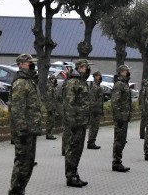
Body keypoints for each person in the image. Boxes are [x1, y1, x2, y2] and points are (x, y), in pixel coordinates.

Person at [8, 54, 42, 195]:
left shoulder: (30, 81)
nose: (32, 65)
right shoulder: (21, 83)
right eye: (29, 63)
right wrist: (21, 129)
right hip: (24, 130)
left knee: (28, 162)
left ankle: (20, 192)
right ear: (21, 64)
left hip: (30, 128)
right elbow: (17, 109)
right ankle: (14, 194)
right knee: (22, 162)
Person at [63, 59, 91, 187]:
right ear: (79, 67)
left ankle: (74, 173)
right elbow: (69, 104)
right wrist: (72, 122)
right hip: (75, 122)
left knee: (78, 149)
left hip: (82, 121)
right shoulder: (73, 82)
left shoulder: (82, 82)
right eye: (85, 67)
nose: (87, 69)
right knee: (72, 149)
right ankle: (70, 175)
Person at [110, 65, 133, 172]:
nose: (128, 72)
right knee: (119, 140)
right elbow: (115, 101)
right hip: (120, 117)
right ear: (121, 72)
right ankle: (116, 162)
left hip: (124, 117)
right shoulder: (119, 84)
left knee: (122, 140)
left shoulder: (124, 83)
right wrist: (118, 117)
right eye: (126, 71)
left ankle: (118, 161)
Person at [86, 71, 104, 149]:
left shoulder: (98, 85)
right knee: (94, 127)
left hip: (97, 109)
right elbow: (92, 99)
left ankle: (92, 141)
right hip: (94, 110)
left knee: (95, 127)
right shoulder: (94, 86)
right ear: (95, 76)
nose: (100, 77)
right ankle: (91, 142)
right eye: (99, 75)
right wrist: (93, 109)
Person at [44, 74, 60, 140]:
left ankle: (50, 133)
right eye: (54, 79)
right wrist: (49, 107)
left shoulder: (54, 87)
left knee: (52, 121)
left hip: (54, 106)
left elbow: (56, 97)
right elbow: (49, 98)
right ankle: (48, 134)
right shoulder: (50, 87)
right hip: (51, 106)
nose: (55, 80)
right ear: (51, 79)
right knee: (50, 121)